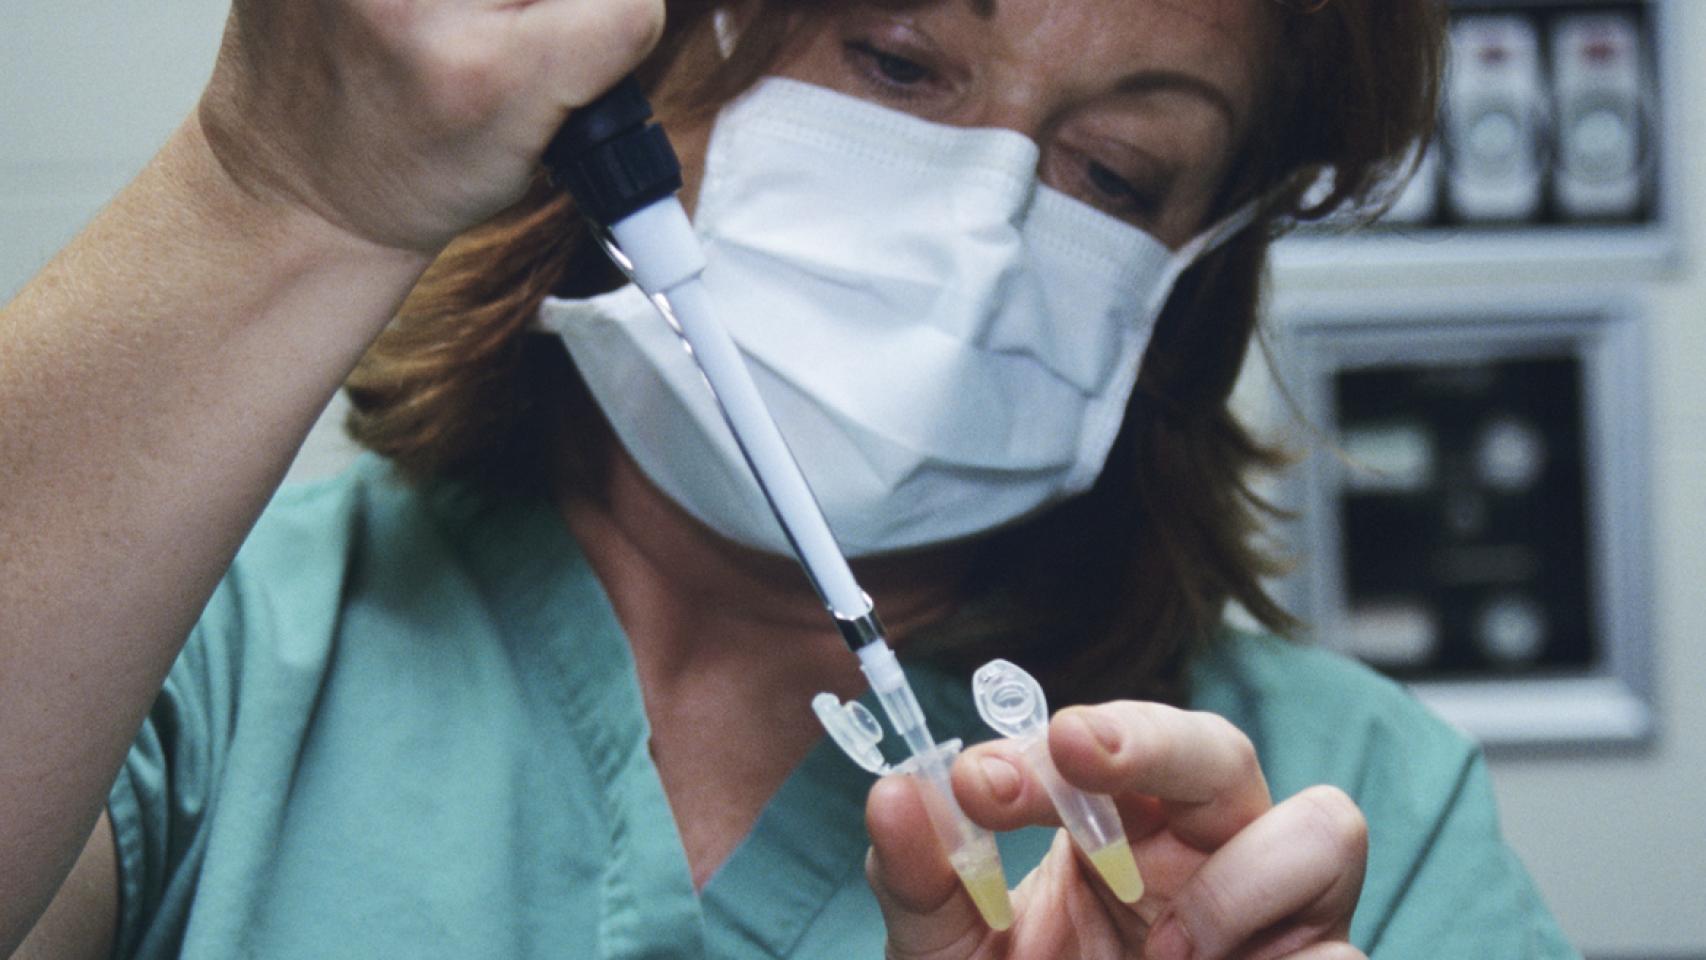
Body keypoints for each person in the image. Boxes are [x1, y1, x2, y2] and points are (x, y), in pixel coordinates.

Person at [0, 0, 1579, 957]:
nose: (976, 230)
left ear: (1197, 268)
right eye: (899, 61)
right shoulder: (192, 644)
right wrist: (272, 186)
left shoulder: (1328, 819)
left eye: (1113, 174)